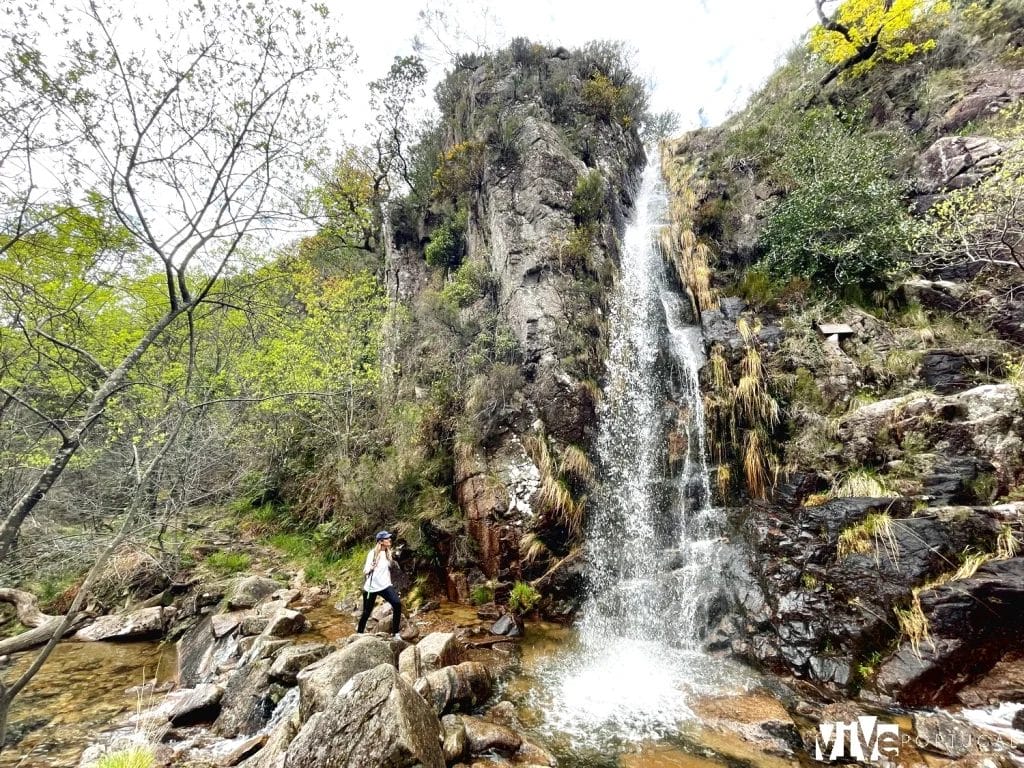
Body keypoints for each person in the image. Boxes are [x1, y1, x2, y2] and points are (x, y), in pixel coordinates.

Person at [356, 530, 402, 639]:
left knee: (397, 604)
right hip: (371, 588)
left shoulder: (388, 552)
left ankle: (396, 633)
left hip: (385, 586)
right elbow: (365, 571)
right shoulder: (373, 553)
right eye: (387, 538)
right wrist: (371, 567)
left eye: (389, 538)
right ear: (381, 541)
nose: (389, 539)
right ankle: (358, 634)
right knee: (366, 613)